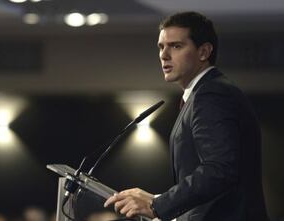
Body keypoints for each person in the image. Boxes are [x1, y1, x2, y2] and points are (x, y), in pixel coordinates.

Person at [104, 11, 269, 221]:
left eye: (175, 46)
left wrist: (158, 205)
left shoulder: (211, 94)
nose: (164, 55)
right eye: (161, 47)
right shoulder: (202, 94)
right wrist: (157, 199)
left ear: (204, 52)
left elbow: (219, 170)